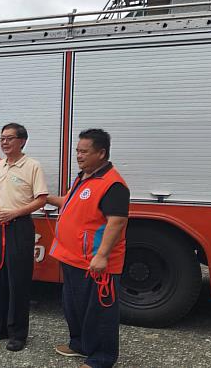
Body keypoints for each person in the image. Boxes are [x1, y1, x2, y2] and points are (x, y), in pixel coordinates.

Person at [47, 129, 129, 368]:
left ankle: (102, 358)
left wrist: (102, 256)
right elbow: (72, 202)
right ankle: (80, 344)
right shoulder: (85, 176)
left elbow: (117, 221)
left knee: (100, 312)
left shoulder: (113, 184)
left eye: (84, 151)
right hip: (73, 258)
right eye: (77, 151)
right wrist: (48, 198)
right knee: (74, 306)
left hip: (95, 262)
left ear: (101, 153)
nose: (79, 156)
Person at [0, 122, 48, 352]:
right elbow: (3, 195)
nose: (4, 142)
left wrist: (15, 213)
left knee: (17, 281)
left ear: (22, 141)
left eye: (9, 138)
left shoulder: (32, 166)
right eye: (2, 139)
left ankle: (18, 334)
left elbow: (41, 199)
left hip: (19, 226)